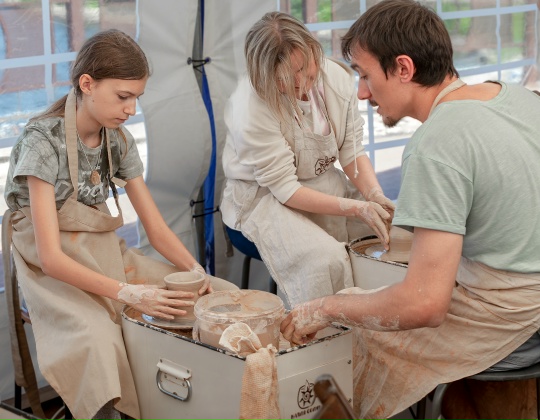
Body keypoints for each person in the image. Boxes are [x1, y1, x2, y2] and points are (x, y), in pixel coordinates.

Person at [280, 0, 540, 418]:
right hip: (525, 284)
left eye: (365, 75)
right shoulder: (517, 97)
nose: (362, 93)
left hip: (516, 314)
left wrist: (325, 307)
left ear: (403, 68)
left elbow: (424, 305)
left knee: (353, 331)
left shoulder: (436, 143)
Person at [4, 29, 236, 420]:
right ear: (87, 84)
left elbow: (156, 229)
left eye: (137, 98)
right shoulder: (41, 142)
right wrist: (128, 293)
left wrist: (195, 271)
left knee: (218, 298)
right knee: (99, 341)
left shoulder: (118, 140)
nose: (131, 109)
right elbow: (51, 258)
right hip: (50, 268)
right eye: (123, 96)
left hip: (104, 251)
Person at [220, 11, 394, 307]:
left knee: (391, 231)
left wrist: (374, 196)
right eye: (284, 79)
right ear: (262, 76)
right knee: (325, 261)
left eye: (304, 69)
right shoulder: (248, 107)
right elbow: (286, 190)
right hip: (264, 199)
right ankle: (323, 330)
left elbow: (352, 152)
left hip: (323, 183)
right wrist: (355, 208)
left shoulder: (336, 79)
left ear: (314, 50)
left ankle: (375, 321)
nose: (300, 83)